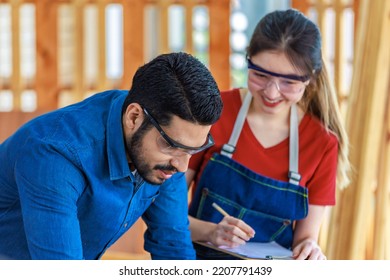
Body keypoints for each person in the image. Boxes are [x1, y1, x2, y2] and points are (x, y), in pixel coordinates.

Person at [0, 52, 223, 260]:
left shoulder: (167, 150)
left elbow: (173, 248)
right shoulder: (54, 156)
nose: (183, 166)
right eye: (172, 145)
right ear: (134, 117)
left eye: (192, 150)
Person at [187, 9, 351, 260]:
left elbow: (305, 240)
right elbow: (164, 214)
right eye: (260, 75)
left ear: (310, 79)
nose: (272, 93)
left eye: (289, 82)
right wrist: (211, 232)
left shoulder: (322, 144)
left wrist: (311, 250)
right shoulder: (213, 111)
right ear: (248, 60)